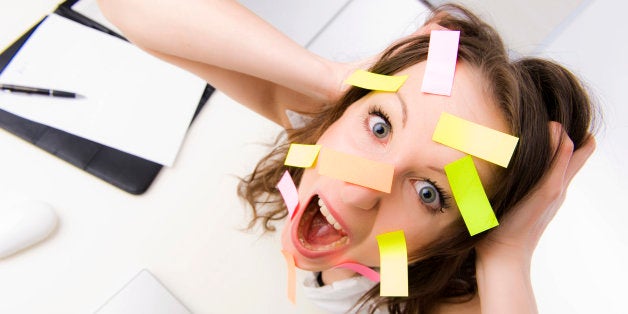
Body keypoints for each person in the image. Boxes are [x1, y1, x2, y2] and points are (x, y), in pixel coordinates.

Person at [97, 1, 597, 313]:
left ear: (461, 239)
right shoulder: (321, 128)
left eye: (429, 193)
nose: (359, 190)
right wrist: (330, 79)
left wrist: (507, 259)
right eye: (380, 125)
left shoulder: (445, 302)